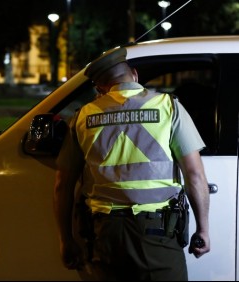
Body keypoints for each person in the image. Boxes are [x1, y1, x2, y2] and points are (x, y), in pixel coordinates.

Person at [53, 46, 211, 280]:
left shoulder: (83, 116)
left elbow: (62, 185)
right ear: (134, 75)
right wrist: (203, 229)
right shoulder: (168, 106)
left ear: (99, 88)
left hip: (103, 235)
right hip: (157, 232)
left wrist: (66, 240)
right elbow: (195, 175)